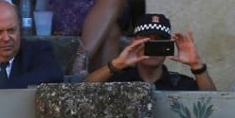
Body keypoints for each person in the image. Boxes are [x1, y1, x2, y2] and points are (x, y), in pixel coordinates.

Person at [86, 12, 218, 91]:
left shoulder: (179, 83)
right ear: (134, 43)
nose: (153, 46)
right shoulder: (119, 80)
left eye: (160, 40)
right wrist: (117, 64)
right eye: (147, 40)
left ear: (168, 46)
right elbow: (80, 91)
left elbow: (213, 103)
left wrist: (197, 65)